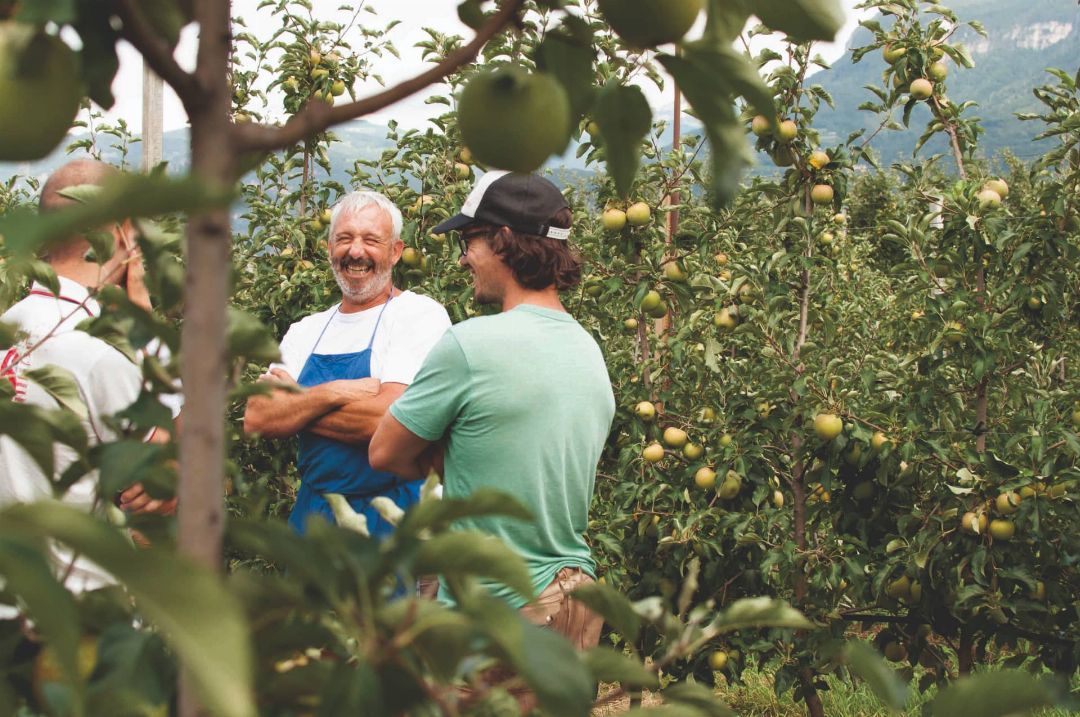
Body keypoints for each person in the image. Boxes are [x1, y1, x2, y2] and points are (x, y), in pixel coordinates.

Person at [369, 171, 616, 708]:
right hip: (575, 601)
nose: (463, 259)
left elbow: (384, 451)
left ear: (502, 240)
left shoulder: (468, 345)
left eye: (469, 241)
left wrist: (442, 450)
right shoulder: (588, 352)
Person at [0, 158, 181, 595]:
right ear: (119, 232)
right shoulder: (101, 355)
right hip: (78, 615)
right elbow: (160, 497)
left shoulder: (9, 327)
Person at [243, 190, 450, 538]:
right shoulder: (305, 330)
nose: (356, 251)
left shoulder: (417, 315)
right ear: (329, 249)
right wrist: (336, 391)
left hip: (395, 520)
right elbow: (258, 417)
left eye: (371, 240)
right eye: (344, 239)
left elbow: (390, 422)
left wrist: (297, 404)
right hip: (315, 520)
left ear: (396, 252)